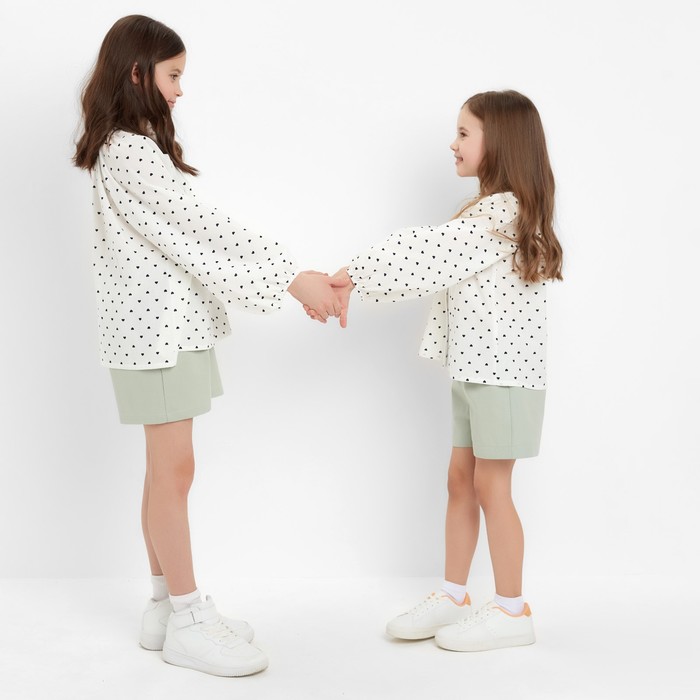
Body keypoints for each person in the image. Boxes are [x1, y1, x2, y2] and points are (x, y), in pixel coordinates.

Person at [73, 14, 346, 677]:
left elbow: (195, 236)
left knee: (162, 472)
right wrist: (293, 276)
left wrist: (290, 277)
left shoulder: (129, 146)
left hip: (160, 335)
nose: (180, 90)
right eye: (173, 76)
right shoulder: (131, 152)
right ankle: (189, 618)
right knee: (174, 473)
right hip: (159, 338)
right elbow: (205, 230)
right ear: (137, 73)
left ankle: (166, 606)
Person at [307, 90, 563, 652]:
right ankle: (454, 595)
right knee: (460, 481)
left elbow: (425, 253)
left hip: (504, 377)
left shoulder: (502, 215)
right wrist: (358, 275)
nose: (453, 143)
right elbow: (432, 254)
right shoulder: (488, 210)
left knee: (492, 486)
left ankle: (512, 610)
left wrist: (353, 274)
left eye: (465, 133)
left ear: (501, 143)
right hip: (476, 371)